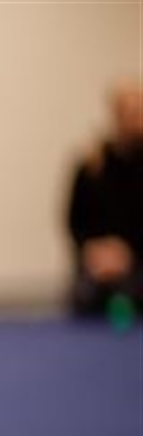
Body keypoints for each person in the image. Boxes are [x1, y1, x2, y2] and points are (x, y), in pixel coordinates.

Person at [65, 78, 143, 320]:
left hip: (137, 261)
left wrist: (128, 253)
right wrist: (94, 251)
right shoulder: (91, 166)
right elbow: (74, 221)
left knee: (133, 290)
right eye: (128, 112)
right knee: (85, 298)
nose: (135, 119)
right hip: (97, 264)